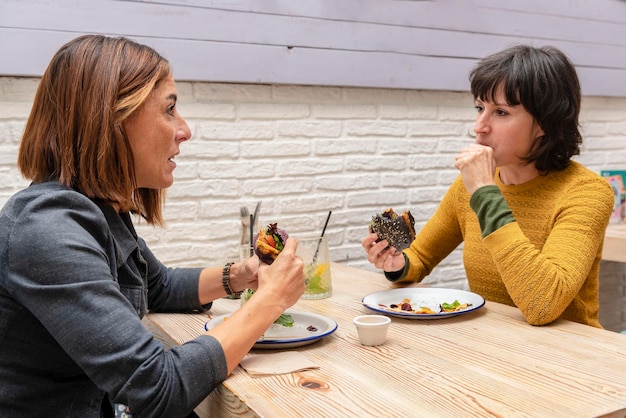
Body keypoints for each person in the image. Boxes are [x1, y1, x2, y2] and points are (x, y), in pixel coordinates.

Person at [0, 34, 305, 417]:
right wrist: (270, 301)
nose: (185, 130)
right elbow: (157, 387)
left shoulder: (97, 211)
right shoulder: (47, 230)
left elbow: (157, 286)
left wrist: (240, 276)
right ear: (112, 119)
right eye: (169, 110)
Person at [362, 45, 614, 328]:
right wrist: (397, 263)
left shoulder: (587, 192)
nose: (479, 126)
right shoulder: (470, 186)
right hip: (491, 348)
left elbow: (543, 305)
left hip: (571, 358)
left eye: (501, 113)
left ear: (544, 122)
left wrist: (484, 192)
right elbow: (420, 256)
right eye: (480, 108)